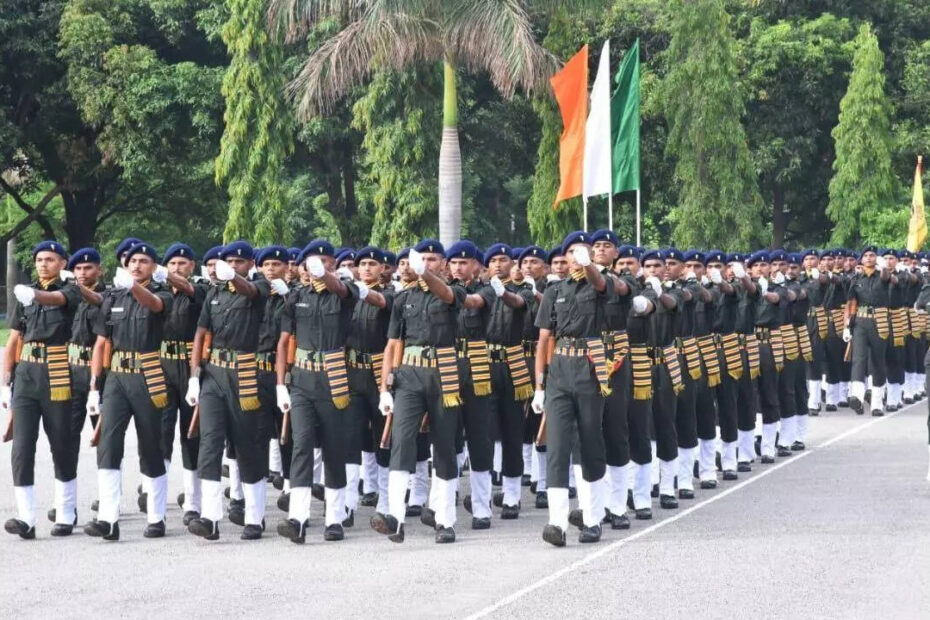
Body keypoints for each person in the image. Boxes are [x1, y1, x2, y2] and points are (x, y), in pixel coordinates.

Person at [373, 239, 466, 544]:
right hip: (409, 374)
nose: (427, 263)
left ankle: (445, 519)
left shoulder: (454, 291)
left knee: (444, 445)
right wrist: (385, 388)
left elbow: (446, 294)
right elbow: (392, 345)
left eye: (433, 259)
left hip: (443, 372)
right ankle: (395, 517)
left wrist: (424, 273)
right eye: (422, 259)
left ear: (444, 264)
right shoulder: (404, 299)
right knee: (401, 441)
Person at [83, 242, 174, 541]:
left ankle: (156, 516)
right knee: (108, 444)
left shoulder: (161, 293)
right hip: (117, 378)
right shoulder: (113, 296)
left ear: (154, 267)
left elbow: (155, 305)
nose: (136, 265)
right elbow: (101, 343)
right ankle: (108, 519)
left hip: (148, 375)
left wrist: (133, 287)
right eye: (132, 261)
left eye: (144, 261)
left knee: (151, 445)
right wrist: (95, 386)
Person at [186, 240, 271, 541]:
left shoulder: (260, 287)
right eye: (229, 262)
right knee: (210, 442)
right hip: (214, 372)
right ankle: (210, 517)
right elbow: (201, 333)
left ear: (250, 264)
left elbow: (250, 291)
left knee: (247, 444)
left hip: (245, 372)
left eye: (239, 262)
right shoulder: (214, 293)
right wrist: (194, 375)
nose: (233, 266)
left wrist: (233, 277)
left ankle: (254, 516)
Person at [275, 240, 359, 543]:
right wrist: (280, 384)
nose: (317, 267)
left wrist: (325, 275)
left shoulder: (345, 292)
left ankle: (334, 518)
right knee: (302, 445)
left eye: (324, 261)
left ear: (333, 265)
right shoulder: (297, 297)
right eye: (313, 262)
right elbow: (283, 342)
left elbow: (340, 289)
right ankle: (297, 518)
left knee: (334, 448)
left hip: (334, 377)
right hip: (302, 379)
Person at [532, 231, 610, 546]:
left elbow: (600, 283)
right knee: (557, 445)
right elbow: (543, 341)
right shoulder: (554, 291)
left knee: (589, 441)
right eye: (571, 252)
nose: (575, 257)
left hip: (590, 368)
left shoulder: (600, 284)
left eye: (581, 251)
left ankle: (591, 518)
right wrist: (539, 385)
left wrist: (589, 264)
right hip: (560, 370)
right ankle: (557, 522)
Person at [3, 241, 82, 539]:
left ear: (62, 263)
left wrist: (34, 295)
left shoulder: (71, 289)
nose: (43, 264)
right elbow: (14, 339)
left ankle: (66, 512)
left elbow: (58, 299)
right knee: (22, 448)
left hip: (57, 371)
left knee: (61, 443)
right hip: (27, 374)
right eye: (39, 260)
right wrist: (5, 381)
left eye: (49, 259)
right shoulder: (25, 294)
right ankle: (26, 518)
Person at [156, 243, 209, 526]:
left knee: (192, 436)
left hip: (190, 367)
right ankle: (156, 501)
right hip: (163, 366)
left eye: (182, 263)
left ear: (192, 266)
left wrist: (195, 377)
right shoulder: (158, 292)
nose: (177, 268)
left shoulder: (199, 290)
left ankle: (193, 501)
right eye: (172, 264)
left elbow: (187, 289)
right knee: (161, 434)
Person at [343, 245, 393, 526]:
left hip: (378, 373)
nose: (366, 268)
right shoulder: (348, 296)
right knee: (350, 437)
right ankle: (347, 503)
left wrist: (361, 291)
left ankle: (385, 501)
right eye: (362, 264)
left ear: (383, 268)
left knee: (383, 438)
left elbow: (382, 303)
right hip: (352, 372)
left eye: (372, 264)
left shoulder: (391, 294)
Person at [846, 246, 891, 416]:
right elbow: (851, 303)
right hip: (860, 321)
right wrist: (847, 325)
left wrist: (884, 267)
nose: (869, 258)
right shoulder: (856, 279)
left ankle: (877, 403)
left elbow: (887, 278)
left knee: (878, 361)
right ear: (862, 260)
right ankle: (857, 396)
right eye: (866, 255)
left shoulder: (882, 276)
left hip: (879, 321)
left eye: (872, 255)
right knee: (859, 358)